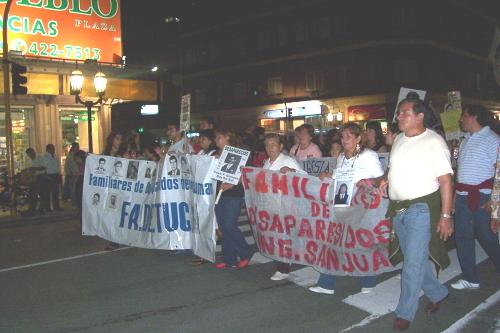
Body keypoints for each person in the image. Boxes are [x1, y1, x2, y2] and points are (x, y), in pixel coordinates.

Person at [380, 97, 453, 331]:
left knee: (412, 263)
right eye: (398, 113)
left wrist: (445, 216)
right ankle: (438, 292)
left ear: (420, 116)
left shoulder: (434, 141)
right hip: (399, 209)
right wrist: (385, 180)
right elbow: (393, 167)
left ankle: (405, 313)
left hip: (421, 210)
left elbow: (445, 180)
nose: (398, 117)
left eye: (404, 113)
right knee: (415, 260)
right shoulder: (399, 139)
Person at [309, 122, 383, 295]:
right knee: (333, 242)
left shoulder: (368, 155)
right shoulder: (341, 157)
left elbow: (380, 179)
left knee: (360, 244)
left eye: (349, 136)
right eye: (342, 136)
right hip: (341, 204)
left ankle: (369, 280)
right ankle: (326, 283)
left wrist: (367, 183)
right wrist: (328, 175)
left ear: (358, 138)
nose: (344, 139)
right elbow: (339, 178)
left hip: (362, 207)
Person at [452, 104, 500, 291]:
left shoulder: (493, 140)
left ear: (473, 117)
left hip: (483, 197)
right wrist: (455, 198)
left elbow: (499, 172)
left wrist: (495, 200)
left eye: (464, 116)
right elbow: (460, 173)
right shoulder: (465, 140)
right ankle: (470, 278)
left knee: (487, 236)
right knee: (462, 236)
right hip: (463, 196)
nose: (461, 119)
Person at [263, 133, 307, 281]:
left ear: (281, 146)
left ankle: (284, 268)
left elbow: (304, 176)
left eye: (273, 145)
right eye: (267, 145)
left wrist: (292, 171)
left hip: (285, 205)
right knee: (275, 235)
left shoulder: (288, 161)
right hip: (271, 204)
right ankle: (282, 260)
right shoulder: (267, 163)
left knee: (283, 235)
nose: (270, 148)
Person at [213, 129, 253, 269]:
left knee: (229, 225)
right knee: (224, 227)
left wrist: (230, 184)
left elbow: (243, 174)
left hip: (234, 194)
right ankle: (230, 259)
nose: (216, 140)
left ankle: (245, 252)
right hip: (219, 193)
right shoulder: (215, 154)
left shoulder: (237, 152)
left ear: (227, 137)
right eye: (216, 138)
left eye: (219, 137)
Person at [23, 148, 46, 215]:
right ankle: (32, 209)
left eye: (31, 154)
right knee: (32, 194)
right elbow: (26, 168)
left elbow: (44, 167)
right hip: (32, 178)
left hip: (41, 177)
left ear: (34, 152)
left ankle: (41, 209)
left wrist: (34, 168)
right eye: (29, 155)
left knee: (42, 194)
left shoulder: (40, 157)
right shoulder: (27, 159)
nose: (31, 156)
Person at [40, 144, 62, 212]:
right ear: (48, 149)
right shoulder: (44, 157)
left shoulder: (55, 156)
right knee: (47, 193)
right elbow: (43, 167)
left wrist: (59, 174)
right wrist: (45, 175)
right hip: (48, 176)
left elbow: (58, 166)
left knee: (55, 192)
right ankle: (48, 208)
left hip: (56, 175)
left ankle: (56, 207)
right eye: (52, 148)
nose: (53, 149)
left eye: (53, 148)